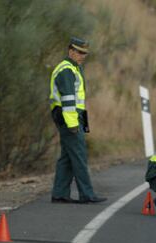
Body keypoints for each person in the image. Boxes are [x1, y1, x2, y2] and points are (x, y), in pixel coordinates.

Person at [49, 37, 107, 204]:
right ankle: (87, 194)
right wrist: (73, 124)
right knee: (79, 156)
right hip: (69, 118)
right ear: (71, 51)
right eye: (80, 52)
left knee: (67, 157)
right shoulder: (66, 70)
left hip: (72, 116)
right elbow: (68, 99)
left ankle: (59, 193)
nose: (83, 56)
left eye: (85, 53)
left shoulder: (74, 68)